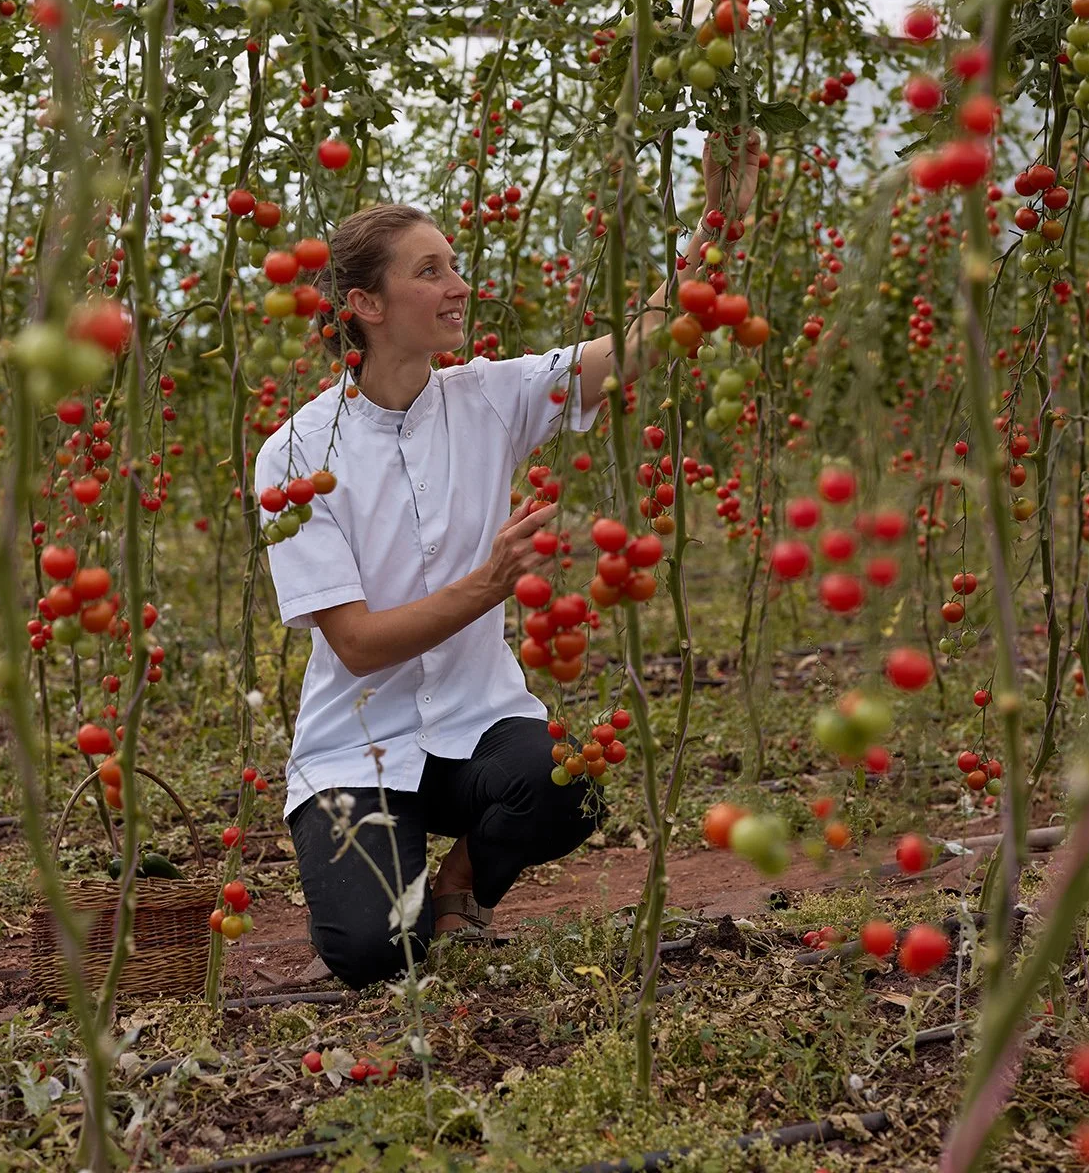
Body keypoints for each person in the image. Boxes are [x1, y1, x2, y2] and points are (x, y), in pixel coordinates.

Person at [253, 131, 766, 990]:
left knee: (567, 783)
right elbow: (360, 646)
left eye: (453, 265)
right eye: (429, 272)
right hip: (355, 747)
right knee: (374, 955)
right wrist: (489, 584)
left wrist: (721, 222)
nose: (458, 287)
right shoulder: (297, 454)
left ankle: (460, 887)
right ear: (365, 305)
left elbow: (643, 338)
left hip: (474, 725)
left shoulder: (490, 396)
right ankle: (383, 887)